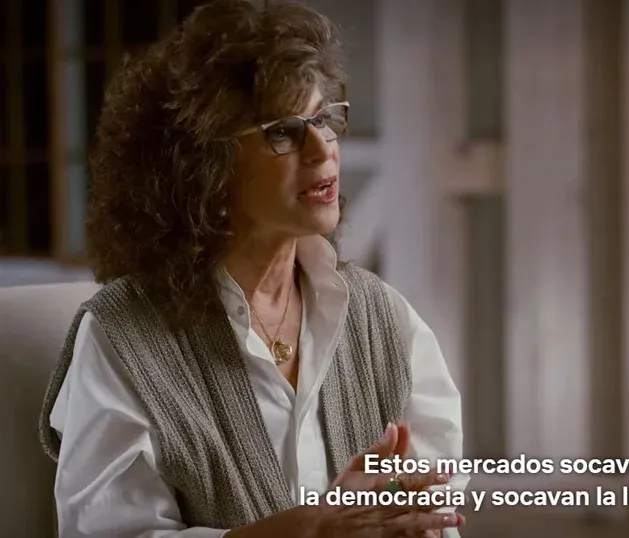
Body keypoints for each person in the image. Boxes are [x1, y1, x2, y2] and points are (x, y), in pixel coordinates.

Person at [36, 1, 468, 536]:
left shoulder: (386, 320)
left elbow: (437, 514)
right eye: (284, 131)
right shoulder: (123, 337)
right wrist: (307, 530)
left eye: (324, 119)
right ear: (204, 166)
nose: (323, 149)